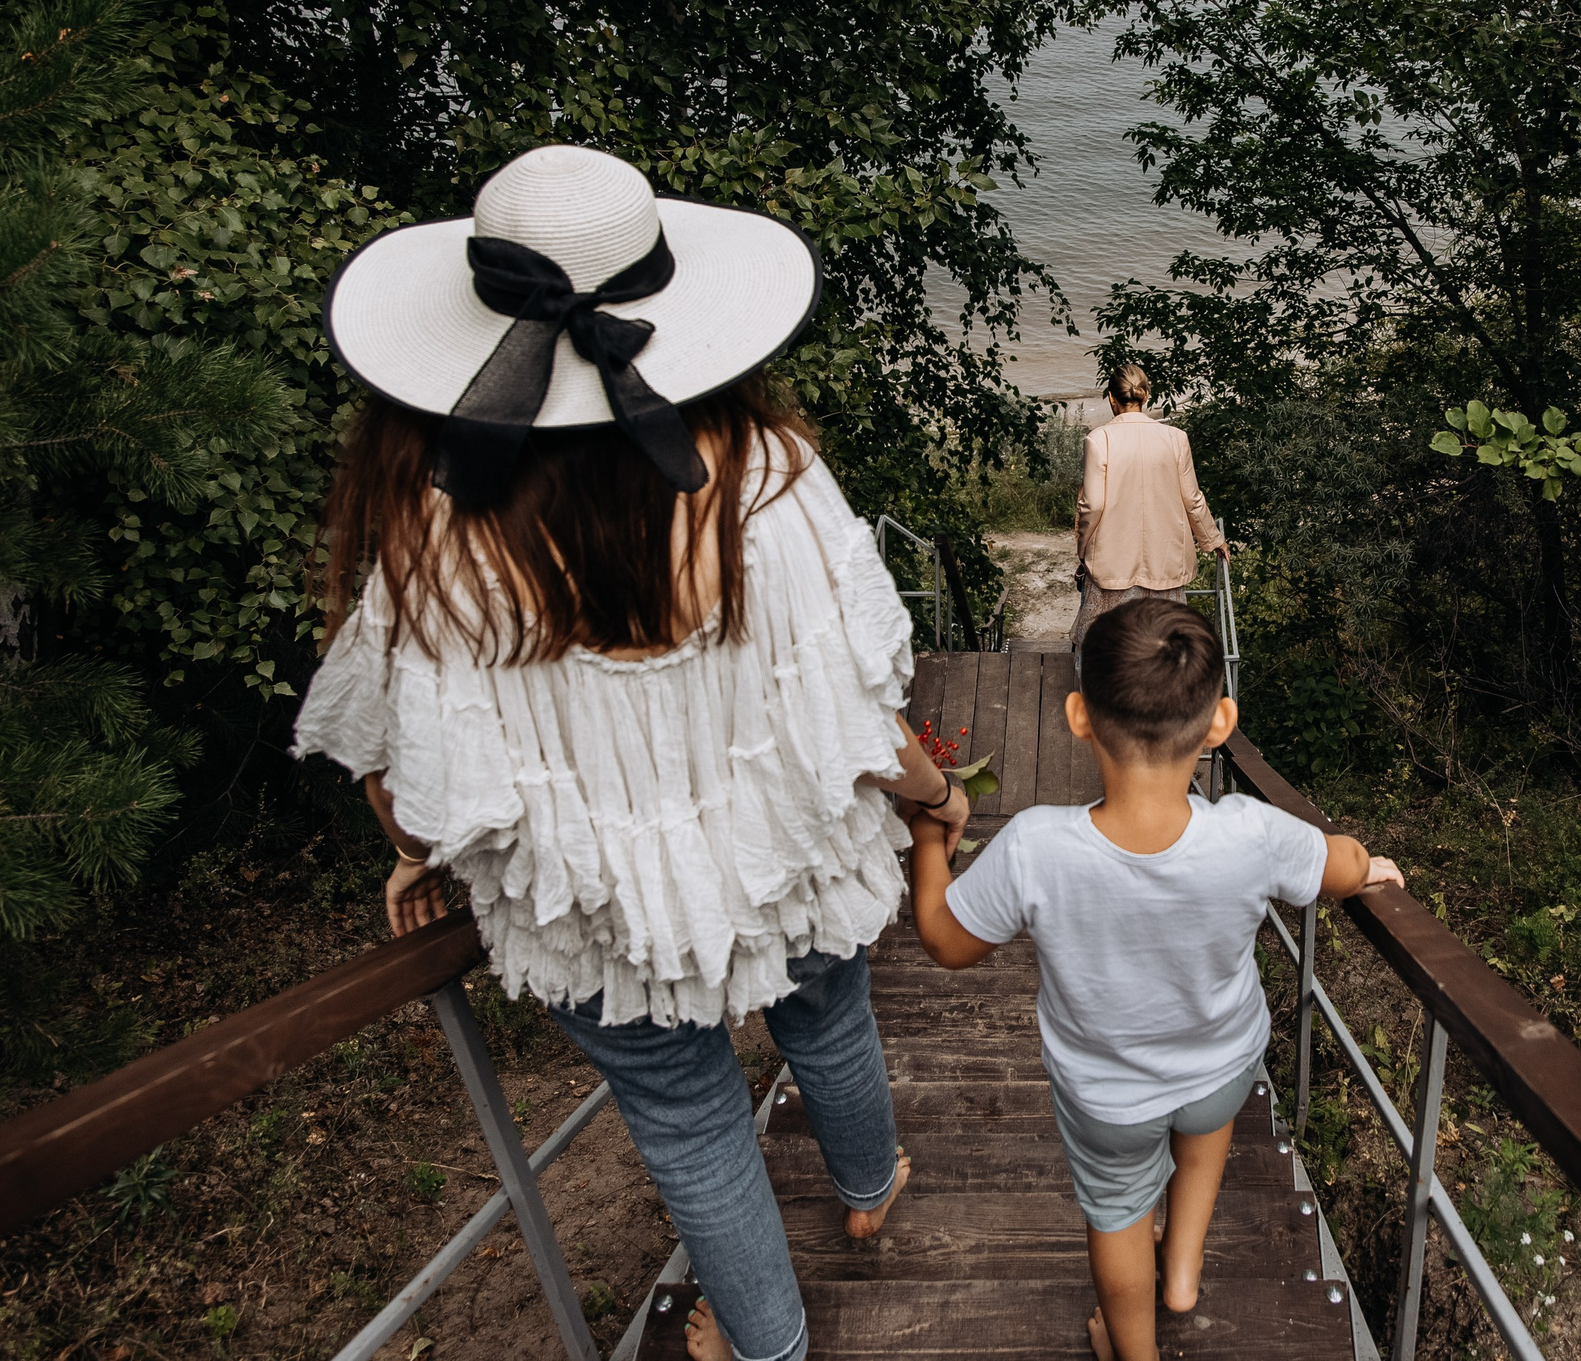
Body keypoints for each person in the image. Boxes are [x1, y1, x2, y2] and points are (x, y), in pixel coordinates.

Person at [292, 145, 971, 1361]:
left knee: (687, 1117)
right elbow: (855, 714)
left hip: (601, 906)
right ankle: (871, 1186)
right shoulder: (764, 480)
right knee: (830, 1012)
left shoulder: (433, 523)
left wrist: (411, 853)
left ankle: (766, 1344)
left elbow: (395, 759)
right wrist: (935, 800)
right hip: (791, 862)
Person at [903, 598, 1403, 1361]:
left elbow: (943, 938)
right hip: (1221, 1066)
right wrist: (1370, 866)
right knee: (1204, 1139)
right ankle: (1183, 1277)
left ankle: (1136, 1350)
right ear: (1218, 721)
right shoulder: (1249, 832)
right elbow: (1339, 865)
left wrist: (926, 839)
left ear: (1078, 715)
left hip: (1108, 1098)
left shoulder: (1035, 847)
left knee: (1117, 1215)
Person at [1072, 363, 1230, 661]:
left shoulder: (1099, 439)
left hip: (1112, 564)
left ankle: (1102, 705)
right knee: (1162, 646)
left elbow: (1092, 505)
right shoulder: (1176, 438)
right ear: (1145, 396)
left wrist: (1083, 548)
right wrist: (1214, 540)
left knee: (1108, 648)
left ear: (1111, 398)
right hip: (1164, 563)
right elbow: (1192, 498)